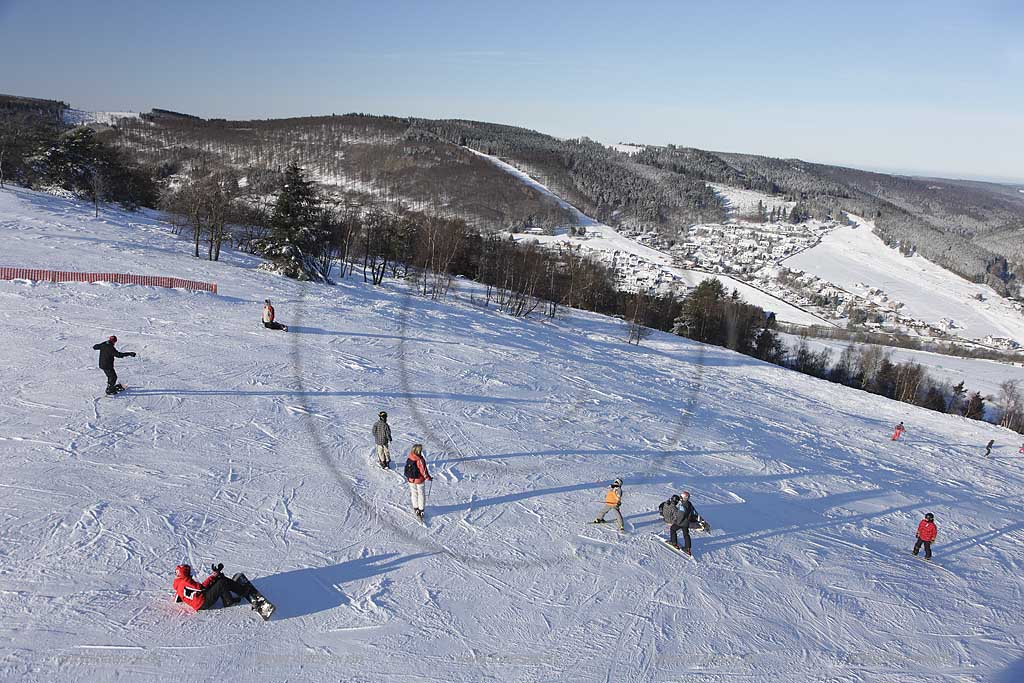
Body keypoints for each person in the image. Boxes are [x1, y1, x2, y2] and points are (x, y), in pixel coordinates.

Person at [173, 563, 254, 611]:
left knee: (219, 579)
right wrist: (212, 576)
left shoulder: (178, 582)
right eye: (188, 571)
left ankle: (236, 589)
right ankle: (230, 600)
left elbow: (178, 596)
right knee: (221, 582)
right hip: (203, 602)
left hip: (199, 599)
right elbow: (201, 588)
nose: (191, 572)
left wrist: (214, 576)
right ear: (185, 573)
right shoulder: (186, 581)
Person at [404, 444, 432, 520]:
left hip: (411, 479)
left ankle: (415, 508)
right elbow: (424, 471)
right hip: (419, 480)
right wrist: (428, 478)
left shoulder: (410, 457)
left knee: (414, 493)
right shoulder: (420, 459)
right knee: (421, 494)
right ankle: (421, 509)